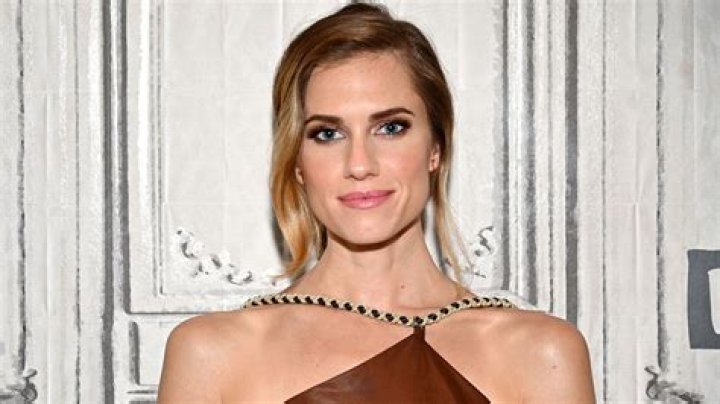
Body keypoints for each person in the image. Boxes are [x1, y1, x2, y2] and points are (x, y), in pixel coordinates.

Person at [157, 3, 595, 403]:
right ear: (298, 164)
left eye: (390, 128)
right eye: (328, 134)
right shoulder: (212, 355)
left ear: (436, 148)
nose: (360, 164)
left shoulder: (541, 355)